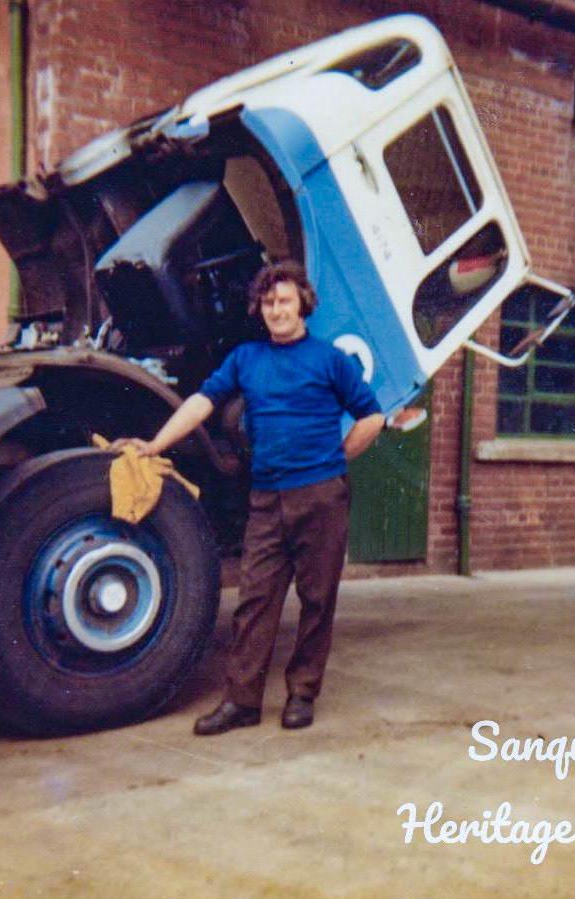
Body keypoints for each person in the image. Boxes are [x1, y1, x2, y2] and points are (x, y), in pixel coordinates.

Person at [117, 260, 385, 735]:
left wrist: (334, 461)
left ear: (303, 304)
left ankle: (302, 694)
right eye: (268, 302)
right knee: (255, 600)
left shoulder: (330, 360)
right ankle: (242, 702)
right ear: (259, 309)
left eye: (285, 301)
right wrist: (155, 445)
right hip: (266, 499)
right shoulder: (246, 358)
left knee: (317, 599)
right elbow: (202, 402)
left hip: (320, 497)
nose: (277, 310)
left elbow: (372, 417)